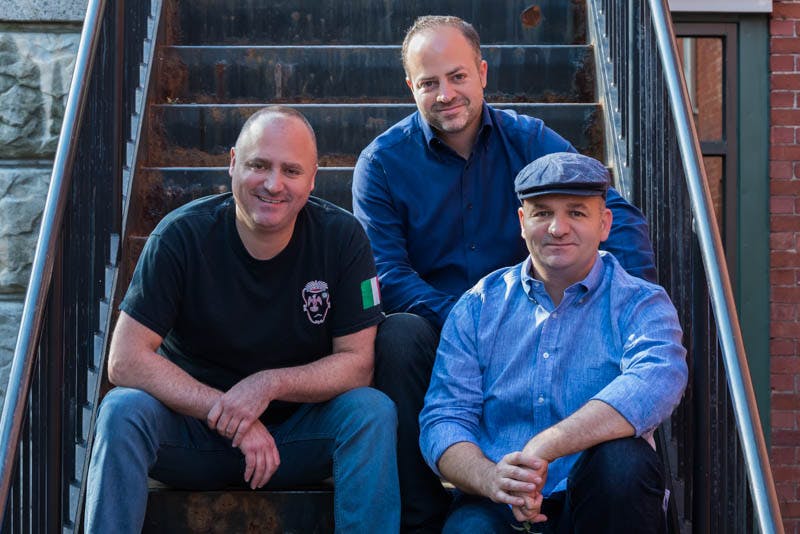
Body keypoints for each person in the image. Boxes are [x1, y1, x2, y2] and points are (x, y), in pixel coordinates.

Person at [351, 15, 658, 532]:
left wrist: (626, 298)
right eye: (429, 83)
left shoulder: (529, 139)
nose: (445, 94)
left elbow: (614, 213)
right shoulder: (381, 163)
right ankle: (424, 518)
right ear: (410, 86)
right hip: (441, 326)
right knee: (397, 337)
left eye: (457, 76)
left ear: (482, 72)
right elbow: (386, 273)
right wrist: (475, 321)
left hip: (536, 312)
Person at [84, 106, 400, 534]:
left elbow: (357, 364)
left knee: (371, 411)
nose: (273, 184)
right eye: (259, 165)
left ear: (313, 178)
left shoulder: (342, 238)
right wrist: (231, 415)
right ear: (233, 163)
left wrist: (267, 385)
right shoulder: (180, 236)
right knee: (121, 410)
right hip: (193, 436)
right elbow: (125, 360)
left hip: (295, 439)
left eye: (291, 170)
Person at [419, 152, 688, 533]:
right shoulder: (478, 306)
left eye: (576, 213)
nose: (558, 228)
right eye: (542, 213)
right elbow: (444, 419)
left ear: (604, 224)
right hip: (499, 501)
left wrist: (546, 445)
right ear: (522, 222)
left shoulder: (640, 303)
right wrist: (491, 478)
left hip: (598, 501)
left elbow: (656, 383)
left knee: (624, 462)